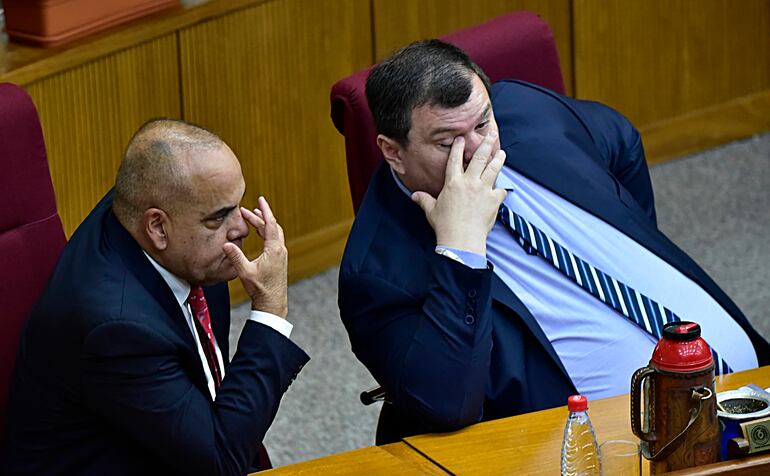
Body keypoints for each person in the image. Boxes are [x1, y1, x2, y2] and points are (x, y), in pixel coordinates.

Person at [337, 40, 770, 443]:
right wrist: (461, 249)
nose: (478, 151)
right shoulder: (375, 273)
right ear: (393, 151)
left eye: (483, 124)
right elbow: (447, 404)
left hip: (753, 382)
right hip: (636, 450)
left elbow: (620, 139)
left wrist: (635, 242)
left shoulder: (523, 110)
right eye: (448, 142)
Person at [1, 119, 309, 475]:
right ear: (158, 227)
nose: (241, 227)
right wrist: (269, 311)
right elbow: (220, 465)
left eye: (237, 204)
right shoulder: (116, 327)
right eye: (219, 217)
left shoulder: (172, 226)